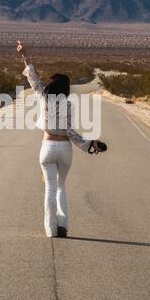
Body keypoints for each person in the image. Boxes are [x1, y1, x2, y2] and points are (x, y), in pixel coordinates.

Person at [17, 40, 103, 238]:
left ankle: (50, 229)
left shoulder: (44, 98)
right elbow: (72, 132)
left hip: (47, 147)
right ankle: (63, 225)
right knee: (61, 186)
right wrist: (90, 143)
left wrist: (25, 54)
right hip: (65, 150)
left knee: (49, 187)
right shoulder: (69, 106)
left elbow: (32, 77)